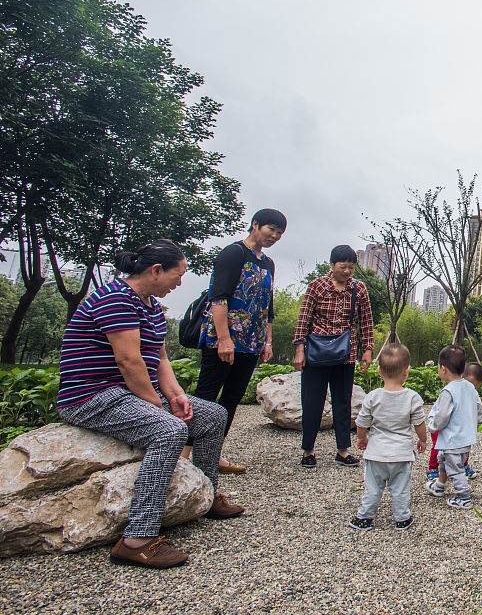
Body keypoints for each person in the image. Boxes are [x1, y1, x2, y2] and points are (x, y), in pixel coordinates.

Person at [55, 240, 244, 569]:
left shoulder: (152, 308)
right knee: (169, 430)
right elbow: (129, 362)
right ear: (156, 271)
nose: (180, 283)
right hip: (91, 395)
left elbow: (159, 359)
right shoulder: (116, 298)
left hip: (127, 394)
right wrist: (159, 407)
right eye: (178, 275)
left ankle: (206, 494)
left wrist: (176, 395)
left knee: (213, 414)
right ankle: (137, 539)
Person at [190, 208, 286, 474]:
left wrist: (266, 341)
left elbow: (268, 305)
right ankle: (184, 454)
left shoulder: (268, 263)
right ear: (255, 225)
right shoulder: (233, 253)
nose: (275, 236)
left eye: (279, 233)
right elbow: (218, 297)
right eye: (271, 229)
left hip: (251, 341)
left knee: (231, 398)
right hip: (222, 339)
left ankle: (213, 454)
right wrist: (224, 339)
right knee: (206, 396)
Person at [293, 245, 375, 468]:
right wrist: (299, 350)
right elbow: (303, 319)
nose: (347, 272)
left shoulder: (359, 289)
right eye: (343, 267)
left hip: (345, 354)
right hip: (316, 351)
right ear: (332, 265)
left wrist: (367, 349)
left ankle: (343, 450)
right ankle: (308, 450)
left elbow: (366, 321)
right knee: (312, 402)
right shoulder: (316, 286)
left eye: (351, 267)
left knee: (342, 402)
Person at [349, 343, 427, 531]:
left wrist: (362, 438)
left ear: (379, 371)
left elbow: (362, 423)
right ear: (407, 371)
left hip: (376, 454)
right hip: (401, 454)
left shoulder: (372, 397)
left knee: (373, 488)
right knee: (400, 489)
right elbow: (419, 424)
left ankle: (365, 517)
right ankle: (402, 518)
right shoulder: (412, 397)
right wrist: (423, 440)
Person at [424, 345, 482, 509]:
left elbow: (442, 416)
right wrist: (475, 425)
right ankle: (439, 486)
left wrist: (432, 425)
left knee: (455, 468)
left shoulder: (448, 392)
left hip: (452, 439)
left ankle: (463, 497)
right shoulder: (470, 387)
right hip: (465, 438)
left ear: (443, 369)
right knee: (443, 460)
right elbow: (478, 408)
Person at [426, 362, 482, 483]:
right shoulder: (449, 391)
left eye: (472, 385)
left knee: (463, 447)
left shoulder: (472, 392)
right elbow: (441, 413)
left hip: (460, 427)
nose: (469, 387)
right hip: (444, 427)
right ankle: (433, 468)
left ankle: (462, 465)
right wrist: (434, 425)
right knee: (439, 450)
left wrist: (476, 424)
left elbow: (478, 410)